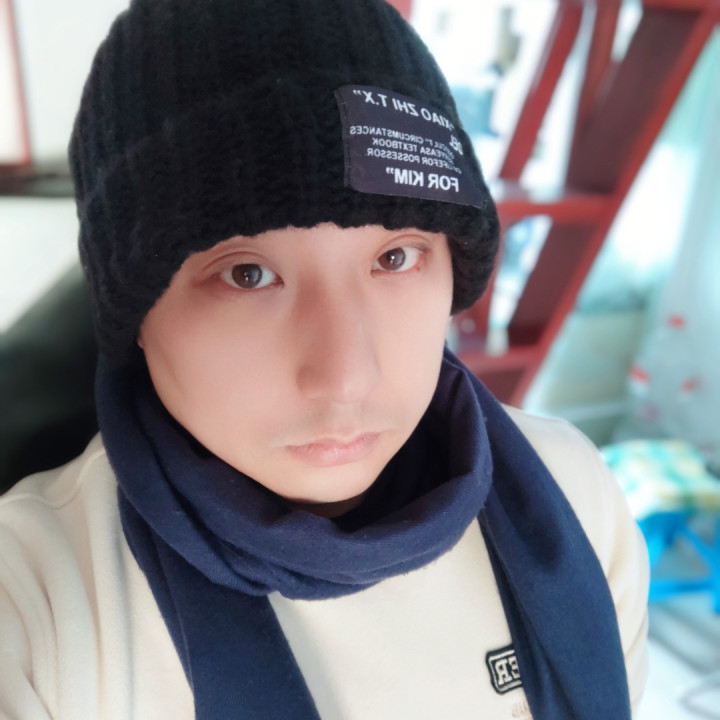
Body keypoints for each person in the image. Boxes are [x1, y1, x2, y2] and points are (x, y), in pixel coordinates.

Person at [0, 0, 649, 718]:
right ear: (137, 316)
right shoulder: (35, 602)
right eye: (248, 274)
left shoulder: (574, 494)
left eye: (395, 258)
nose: (346, 378)